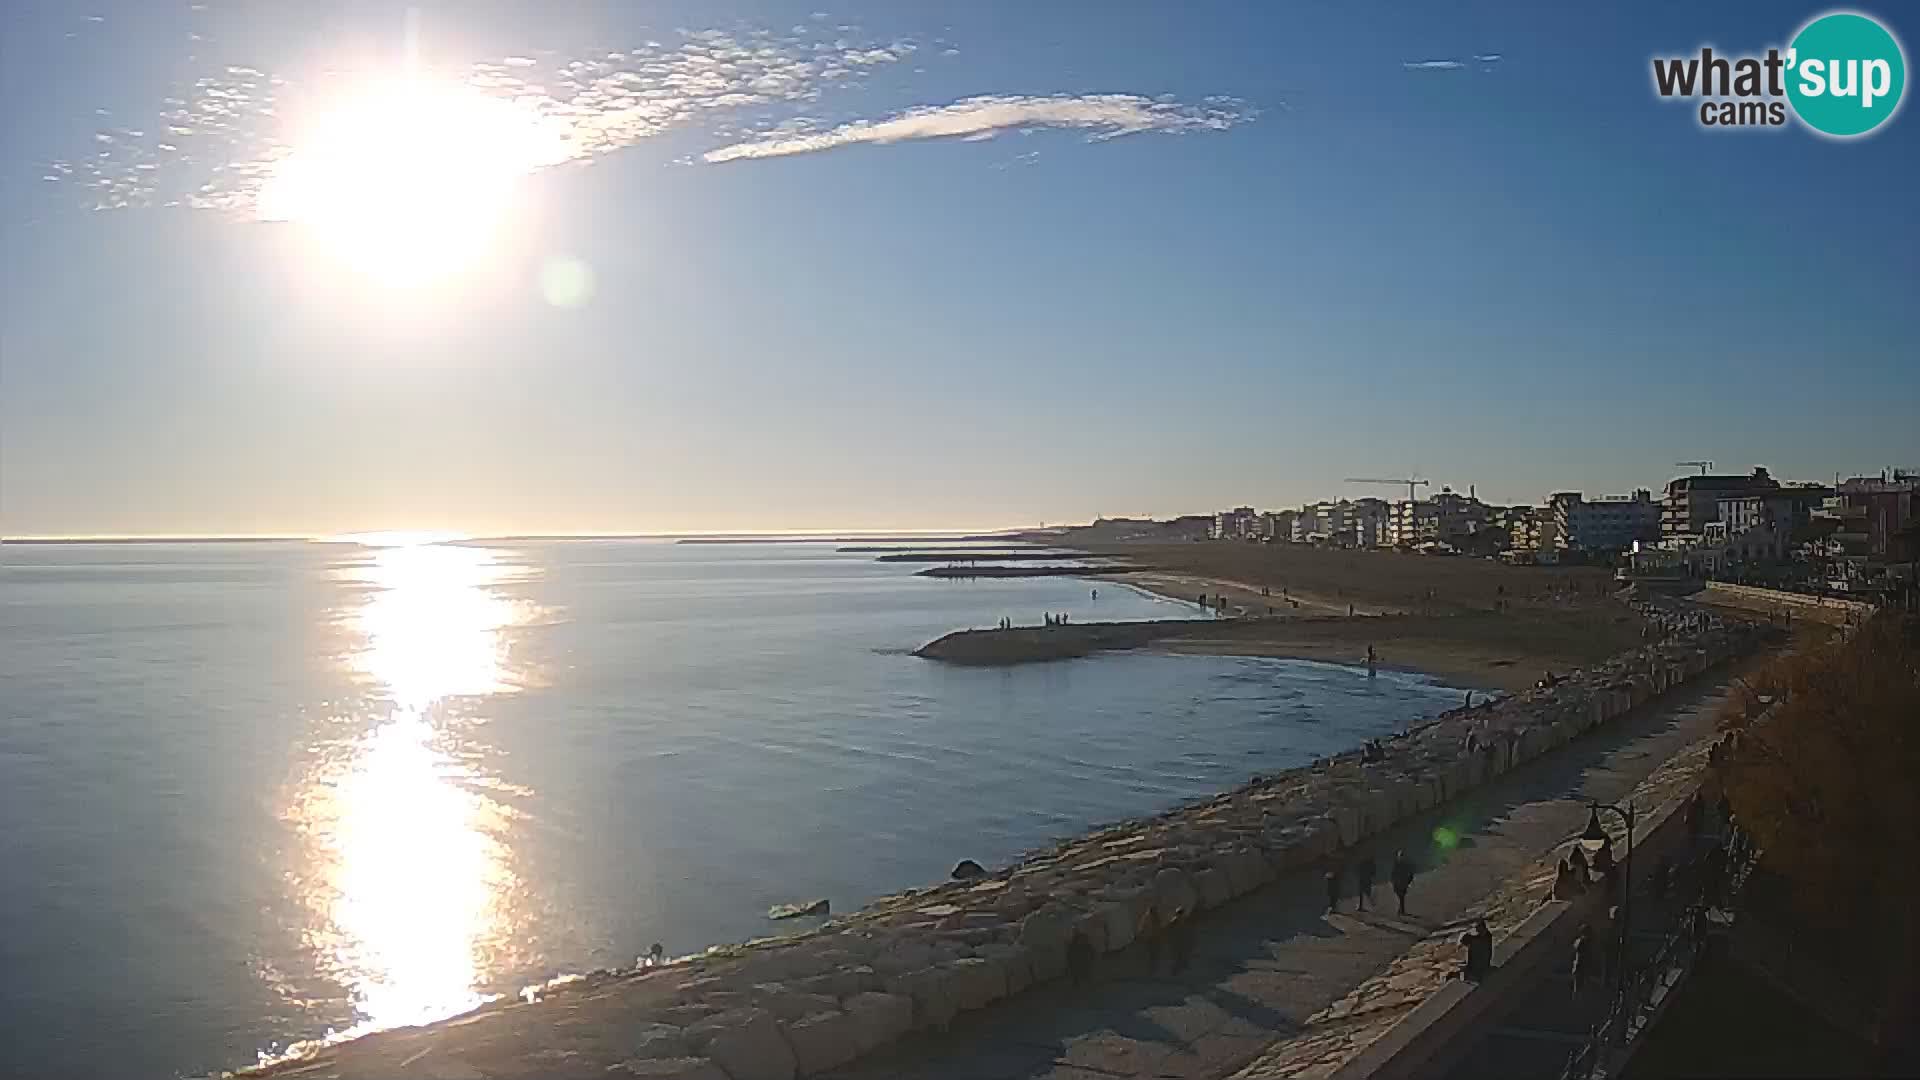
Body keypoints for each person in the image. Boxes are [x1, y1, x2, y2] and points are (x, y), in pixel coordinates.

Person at [1571, 924, 1593, 996]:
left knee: (1579, 985)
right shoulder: (1584, 941)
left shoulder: (1579, 941)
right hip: (1581, 965)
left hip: (1580, 965)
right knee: (1580, 985)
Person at [1391, 850, 1415, 915]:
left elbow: (1410, 873)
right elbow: (1393, 873)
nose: (1400, 857)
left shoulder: (1403, 863)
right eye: (1400, 855)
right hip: (1398, 882)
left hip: (1402, 882)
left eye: (1401, 855)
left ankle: (1401, 910)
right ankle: (1401, 910)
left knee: (1401, 897)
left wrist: (1409, 881)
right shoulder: (1397, 863)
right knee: (1401, 896)